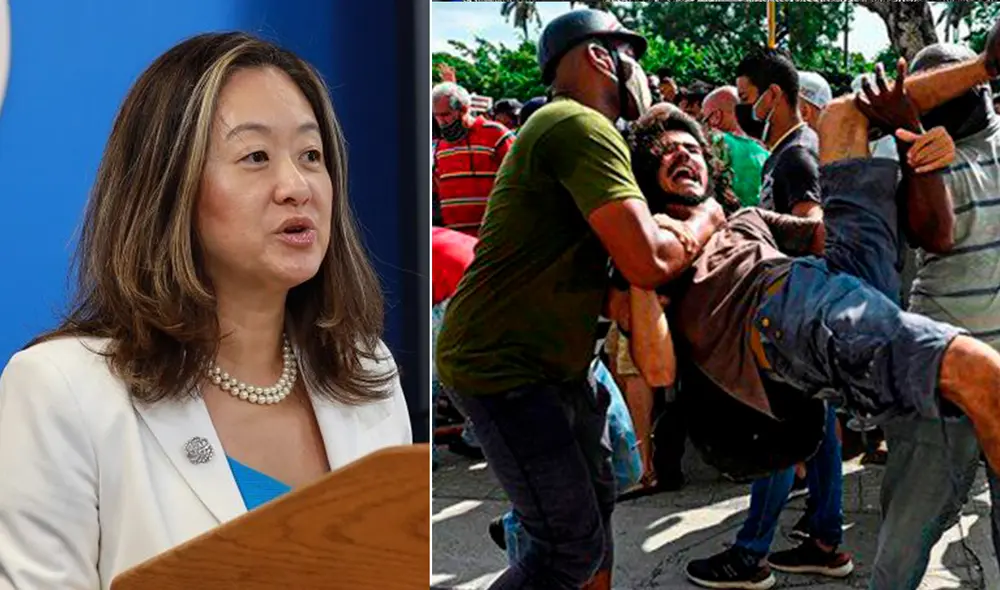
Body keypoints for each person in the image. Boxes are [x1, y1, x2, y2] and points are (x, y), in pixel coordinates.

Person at [0, 32, 411, 589]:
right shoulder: (59, 390)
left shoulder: (365, 367)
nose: (297, 187)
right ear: (169, 186)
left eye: (311, 156)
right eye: (255, 157)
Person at [623, 59, 1000, 587]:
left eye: (690, 145)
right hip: (780, 314)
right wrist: (646, 268)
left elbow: (823, 231)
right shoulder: (651, 253)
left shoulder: (744, 219)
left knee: (844, 114)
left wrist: (916, 157)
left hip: (835, 278)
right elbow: (659, 370)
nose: (681, 152)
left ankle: (987, 63)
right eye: (665, 151)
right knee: (981, 375)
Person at [436, 9, 725, 590]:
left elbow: (618, 290)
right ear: (599, 56)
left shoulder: (582, 132)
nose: (642, 73)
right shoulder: (575, 124)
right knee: (565, 548)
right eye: (631, 55)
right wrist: (706, 221)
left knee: (596, 508)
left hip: (559, 367)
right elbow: (647, 259)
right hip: (504, 368)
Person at [870, 42, 1000, 590]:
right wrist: (913, 140)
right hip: (941, 374)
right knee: (904, 541)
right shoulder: (915, 152)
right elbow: (935, 235)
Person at [735, 48, 822, 218]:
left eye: (744, 98)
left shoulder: (796, 156)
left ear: (773, 94)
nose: (740, 109)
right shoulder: (783, 152)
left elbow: (811, 225)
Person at [432, 81, 515, 236]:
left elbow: (519, 179)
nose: (441, 122)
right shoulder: (441, 146)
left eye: (445, 115)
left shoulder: (496, 134)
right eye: (436, 116)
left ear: (464, 109)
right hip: (456, 238)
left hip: (493, 235)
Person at [702, 85, 770, 207]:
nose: (706, 126)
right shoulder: (766, 149)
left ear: (717, 116)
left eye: (706, 119)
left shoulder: (716, 142)